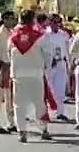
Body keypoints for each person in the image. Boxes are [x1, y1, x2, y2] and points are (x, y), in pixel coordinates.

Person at [9, 9, 52, 142]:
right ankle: (43, 129)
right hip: (36, 73)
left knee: (19, 104)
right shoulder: (40, 35)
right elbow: (47, 54)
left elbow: (8, 54)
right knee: (39, 102)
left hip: (19, 73)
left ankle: (22, 131)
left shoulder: (13, 36)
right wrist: (46, 67)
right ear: (33, 19)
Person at [45, 14, 72, 121]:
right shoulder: (45, 34)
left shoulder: (63, 35)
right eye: (54, 22)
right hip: (49, 64)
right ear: (49, 22)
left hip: (60, 63)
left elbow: (68, 50)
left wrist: (69, 65)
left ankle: (60, 112)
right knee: (48, 89)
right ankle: (45, 112)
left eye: (58, 22)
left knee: (60, 89)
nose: (56, 25)